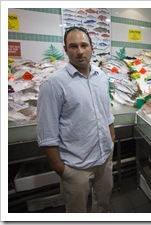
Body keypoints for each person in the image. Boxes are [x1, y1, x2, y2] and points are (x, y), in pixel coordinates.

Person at [36, 26, 116, 213]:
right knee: (76, 213)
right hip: (75, 166)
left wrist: (111, 137)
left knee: (103, 205)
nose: (79, 52)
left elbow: (106, 111)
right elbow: (46, 132)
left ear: (92, 48)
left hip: (104, 158)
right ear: (65, 50)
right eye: (73, 46)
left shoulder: (101, 77)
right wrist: (61, 168)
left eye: (83, 45)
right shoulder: (53, 84)